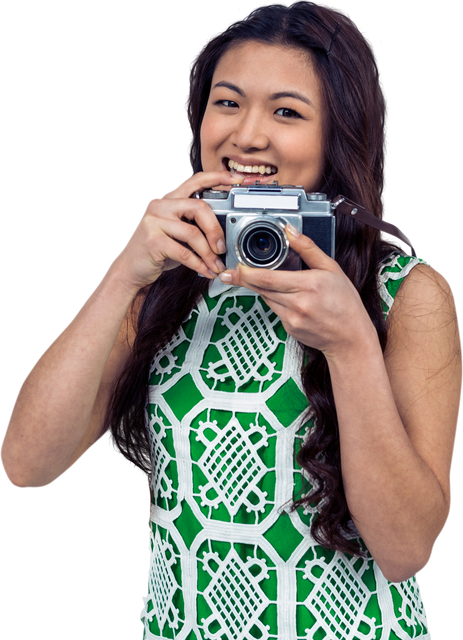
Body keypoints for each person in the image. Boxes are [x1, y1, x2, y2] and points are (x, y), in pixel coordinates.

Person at [1, 1, 461, 638]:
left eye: (287, 112)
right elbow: (26, 467)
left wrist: (352, 346)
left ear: (338, 131)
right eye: (227, 102)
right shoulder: (164, 278)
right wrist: (122, 275)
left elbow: (406, 550)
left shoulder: (406, 293)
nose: (246, 135)